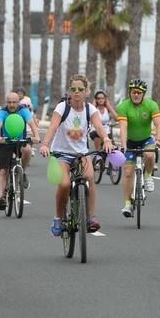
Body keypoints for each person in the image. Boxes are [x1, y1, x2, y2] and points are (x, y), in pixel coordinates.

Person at [39, 74, 113, 235]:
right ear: (69, 91)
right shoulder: (62, 108)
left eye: (81, 89)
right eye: (73, 89)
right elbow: (52, 127)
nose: (77, 92)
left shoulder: (90, 109)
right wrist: (45, 145)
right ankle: (58, 219)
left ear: (86, 91)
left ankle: (90, 218)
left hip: (81, 153)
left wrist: (106, 139)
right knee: (64, 184)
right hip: (61, 154)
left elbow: (99, 127)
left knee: (90, 178)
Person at [117, 79, 160, 217]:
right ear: (129, 93)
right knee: (127, 172)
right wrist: (124, 145)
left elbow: (159, 125)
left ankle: (148, 175)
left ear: (143, 94)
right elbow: (123, 127)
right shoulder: (124, 106)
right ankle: (127, 204)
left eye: (139, 92)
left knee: (150, 155)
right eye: (133, 92)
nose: (136, 95)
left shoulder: (151, 105)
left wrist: (159, 140)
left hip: (146, 139)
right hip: (130, 141)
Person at [0, 91, 41, 210]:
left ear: (18, 102)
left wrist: (36, 136)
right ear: (6, 102)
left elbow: (32, 123)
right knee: (3, 171)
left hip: (20, 141)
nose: (12, 105)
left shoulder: (23, 111)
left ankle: (23, 172)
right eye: (9, 102)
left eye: (14, 102)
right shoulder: (2, 112)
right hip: (5, 142)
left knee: (28, 150)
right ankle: (1, 197)